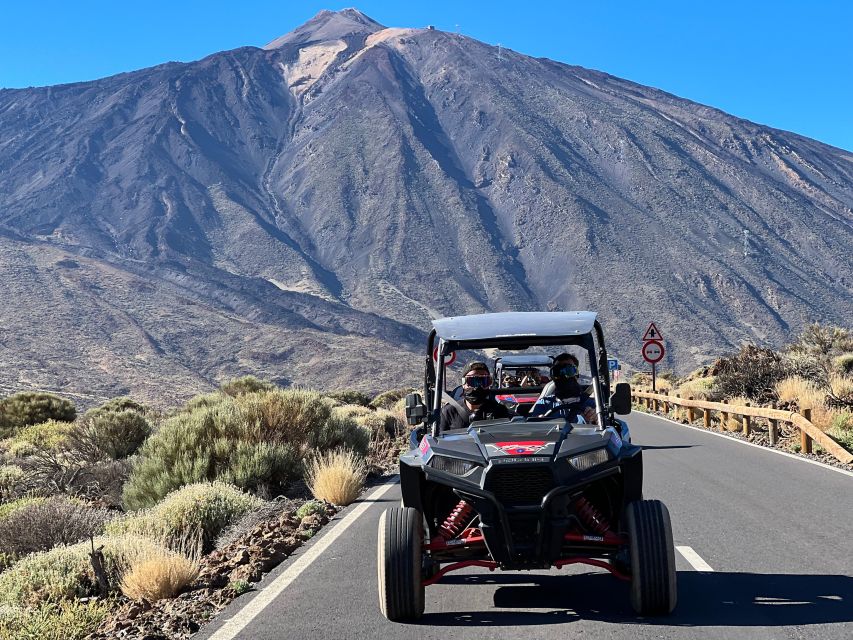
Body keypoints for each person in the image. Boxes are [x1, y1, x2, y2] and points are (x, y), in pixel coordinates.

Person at [438, 361, 509, 432]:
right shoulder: (448, 412)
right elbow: (440, 439)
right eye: (472, 381)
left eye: (484, 381)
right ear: (463, 383)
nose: (477, 387)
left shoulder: (499, 411)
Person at [529, 353, 597, 423]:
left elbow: (603, 427)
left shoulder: (593, 404)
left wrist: (595, 418)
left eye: (569, 371)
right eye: (557, 372)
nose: (563, 376)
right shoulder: (544, 403)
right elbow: (534, 425)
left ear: (577, 374)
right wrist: (539, 420)